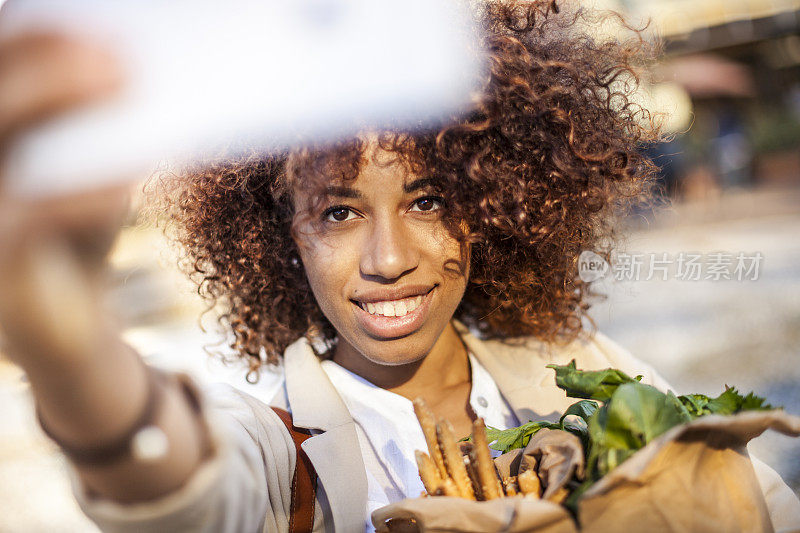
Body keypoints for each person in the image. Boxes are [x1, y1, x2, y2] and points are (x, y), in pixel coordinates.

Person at [0, 2, 798, 532]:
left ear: (492, 202)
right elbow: (182, 490)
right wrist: (64, 343)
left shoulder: (583, 369)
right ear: (282, 236)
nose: (388, 260)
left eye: (428, 201)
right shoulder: (280, 454)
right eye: (337, 212)